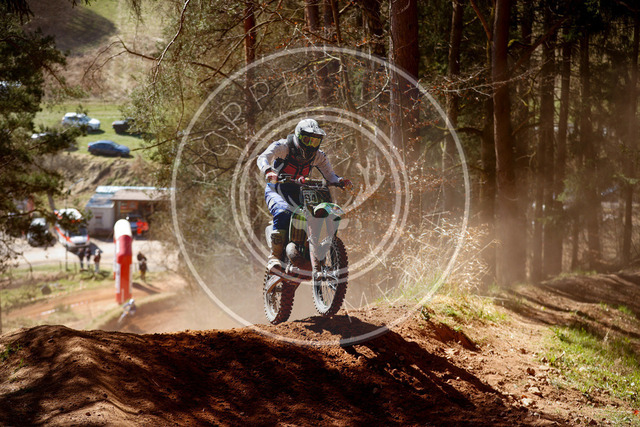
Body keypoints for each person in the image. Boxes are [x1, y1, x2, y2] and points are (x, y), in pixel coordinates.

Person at [256, 118, 352, 273]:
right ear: (298, 136)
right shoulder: (283, 147)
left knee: (310, 215)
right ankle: (274, 257)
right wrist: (268, 170)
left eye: (315, 141)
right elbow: (263, 157)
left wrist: (340, 181)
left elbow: (330, 175)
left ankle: (307, 250)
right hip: (277, 190)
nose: (311, 145)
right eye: (307, 140)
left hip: (300, 192)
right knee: (283, 212)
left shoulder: (318, 156)